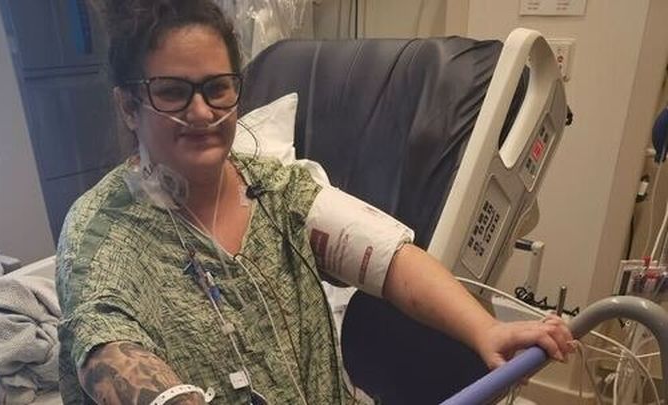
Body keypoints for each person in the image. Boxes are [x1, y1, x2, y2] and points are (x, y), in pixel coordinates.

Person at [56, 0, 575, 404]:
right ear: (129, 106)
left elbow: (391, 260)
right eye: (172, 91)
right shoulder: (100, 233)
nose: (202, 111)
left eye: (218, 88)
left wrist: (487, 329)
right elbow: (106, 348)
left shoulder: (275, 188)